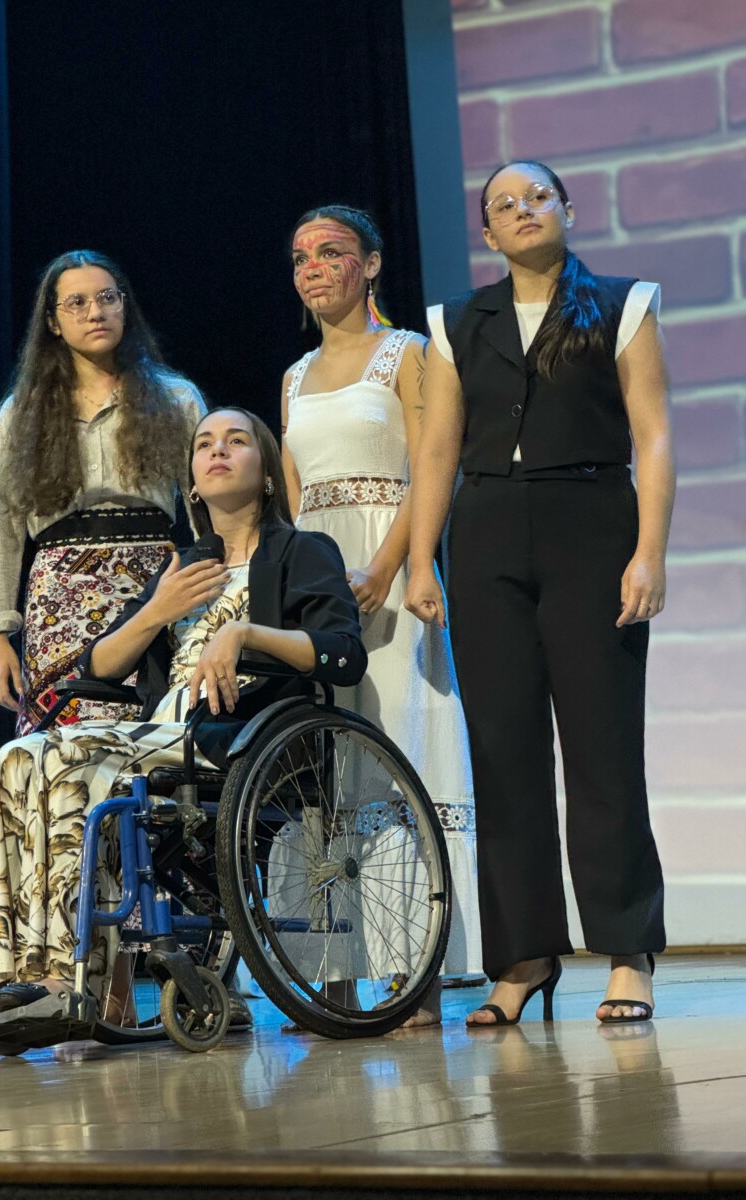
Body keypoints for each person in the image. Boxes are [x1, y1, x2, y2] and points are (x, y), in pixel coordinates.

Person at [0, 408, 367, 1038]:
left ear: (267, 473)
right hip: (166, 735)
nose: (217, 451)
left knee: (68, 765)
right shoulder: (182, 565)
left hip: (244, 737)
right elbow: (99, 664)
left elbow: (344, 653)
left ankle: (63, 980)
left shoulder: (301, 551)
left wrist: (243, 634)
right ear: (191, 482)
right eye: (204, 444)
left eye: (236, 441)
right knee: (17, 756)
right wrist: (157, 609)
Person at [406, 160, 674, 1026]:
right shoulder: (456, 321)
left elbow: (653, 435)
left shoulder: (623, 304)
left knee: (603, 746)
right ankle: (523, 956)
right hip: (486, 533)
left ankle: (628, 951)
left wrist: (649, 552)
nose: (522, 210)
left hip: (591, 525)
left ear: (568, 209)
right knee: (504, 754)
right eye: (503, 204)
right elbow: (438, 448)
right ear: (487, 233)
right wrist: (421, 559)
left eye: (537, 197)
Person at [281, 205, 482, 1021]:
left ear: (370, 263)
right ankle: (329, 969)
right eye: (301, 257)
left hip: (388, 567)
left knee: (398, 747)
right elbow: (295, 499)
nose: (313, 267)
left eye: (331, 252)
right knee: (323, 765)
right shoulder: (293, 376)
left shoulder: (408, 353)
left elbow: (435, 463)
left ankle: (414, 970)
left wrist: (393, 563)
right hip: (321, 578)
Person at [0, 249, 205, 736]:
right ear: (53, 322)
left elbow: (204, 508)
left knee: (152, 737)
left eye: (107, 298)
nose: (95, 312)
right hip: (60, 597)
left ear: (124, 306)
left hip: (151, 586)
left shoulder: (176, 399)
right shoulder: (21, 414)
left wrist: (219, 592)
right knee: (66, 743)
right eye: (76, 303)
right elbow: (5, 527)